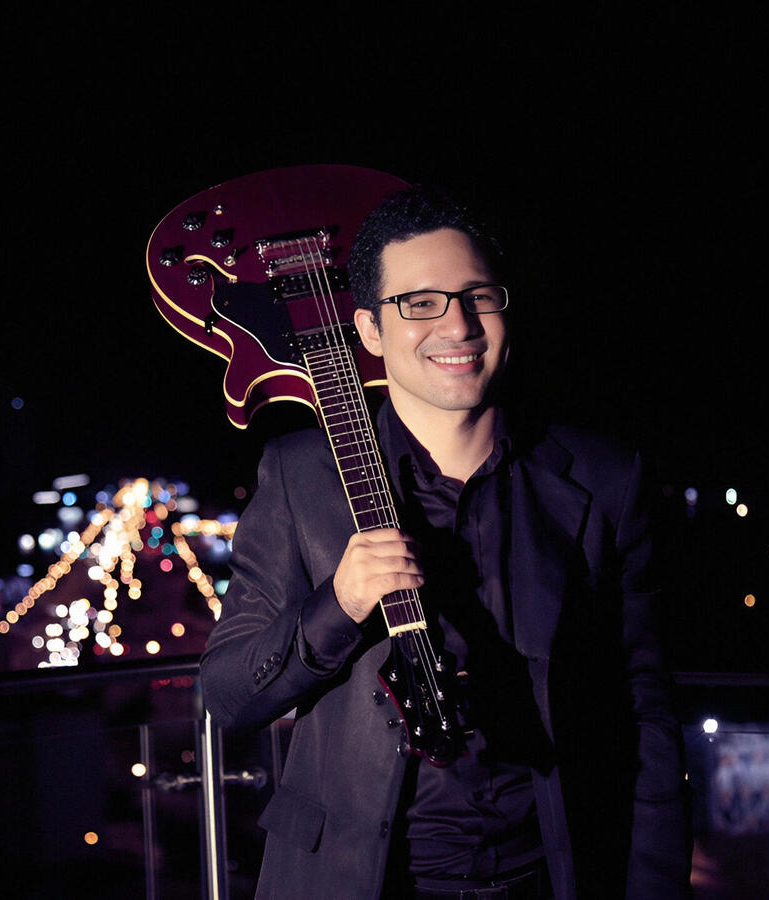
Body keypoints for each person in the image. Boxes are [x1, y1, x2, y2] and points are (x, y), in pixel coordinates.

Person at [199, 185, 692, 899]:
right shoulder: (301, 477)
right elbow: (228, 695)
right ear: (368, 331)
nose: (457, 326)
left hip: (550, 875)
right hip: (354, 881)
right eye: (420, 302)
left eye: (478, 296)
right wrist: (337, 603)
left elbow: (645, 709)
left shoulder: (604, 480)